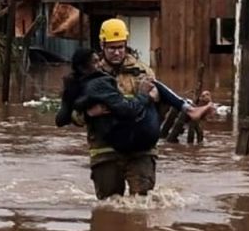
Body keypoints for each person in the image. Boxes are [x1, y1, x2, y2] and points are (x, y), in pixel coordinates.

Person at [59, 18, 210, 199]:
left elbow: (157, 112)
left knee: (142, 202)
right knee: (109, 202)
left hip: (141, 147)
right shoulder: (89, 73)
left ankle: (190, 109)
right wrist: (88, 114)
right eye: (112, 48)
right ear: (102, 45)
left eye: (120, 47)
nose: (117, 52)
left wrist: (157, 101)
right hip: (105, 148)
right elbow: (70, 114)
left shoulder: (143, 71)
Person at [56, 47, 210, 155]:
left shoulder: (73, 84)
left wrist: (85, 112)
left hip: (125, 136)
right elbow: (127, 109)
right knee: (152, 87)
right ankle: (189, 109)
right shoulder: (99, 82)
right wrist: (145, 95)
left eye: (120, 47)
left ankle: (189, 108)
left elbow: (61, 118)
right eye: (95, 62)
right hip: (115, 139)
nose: (99, 64)